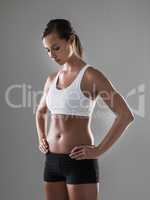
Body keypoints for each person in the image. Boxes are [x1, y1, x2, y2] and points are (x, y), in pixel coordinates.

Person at [35, 18, 134, 200]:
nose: (51, 54)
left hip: (79, 162)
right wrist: (42, 137)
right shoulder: (51, 79)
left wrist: (99, 150)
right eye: (47, 50)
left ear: (70, 40)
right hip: (51, 162)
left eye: (56, 47)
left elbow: (125, 115)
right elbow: (40, 112)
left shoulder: (90, 76)